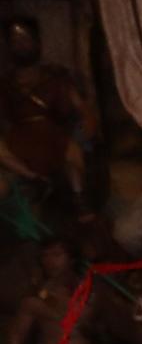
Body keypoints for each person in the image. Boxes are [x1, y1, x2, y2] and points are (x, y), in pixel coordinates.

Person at [1, 16, 96, 210]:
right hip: (18, 143)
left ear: (36, 42)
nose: (21, 45)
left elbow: (83, 110)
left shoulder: (55, 76)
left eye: (25, 39)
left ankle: (80, 203)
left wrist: (82, 134)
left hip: (53, 137)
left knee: (71, 159)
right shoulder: (5, 84)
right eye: (16, 41)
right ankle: (33, 178)